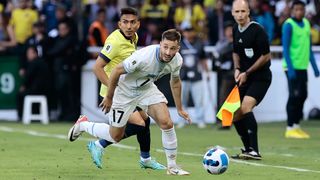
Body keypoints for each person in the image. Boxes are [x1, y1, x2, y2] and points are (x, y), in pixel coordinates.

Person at [68, 7, 165, 170]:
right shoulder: (114, 41)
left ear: (138, 24)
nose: (129, 26)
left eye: (132, 22)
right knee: (134, 127)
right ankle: (86, 127)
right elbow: (97, 68)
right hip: (114, 93)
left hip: (129, 91)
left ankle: (145, 160)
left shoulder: (134, 37)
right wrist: (112, 92)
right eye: (125, 22)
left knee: (145, 121)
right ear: (119, 24)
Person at [99, 29, 191, 175]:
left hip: (146, 89)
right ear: (160, 44)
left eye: (172, 48)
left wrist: (180, 109)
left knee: (167, 122)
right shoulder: (144, 56)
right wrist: (109, 97)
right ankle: (83, 125)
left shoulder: (177, 60)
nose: (168, 52)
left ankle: (172, 167)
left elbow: (175, 82)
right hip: (125, 91)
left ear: (178, 48)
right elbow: (116, 71)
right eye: (165, 47)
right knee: (115, 135)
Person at [230, 0, 272, 160]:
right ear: (232, 13)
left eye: (243, 11)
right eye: (237, 12)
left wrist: (247, 72)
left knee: (246, 107)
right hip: (244, 77)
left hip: (261, 77)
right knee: (232, 113)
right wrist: (237, 69)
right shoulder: (235, 29)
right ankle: (247, 149)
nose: (240, 15)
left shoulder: (257, 30)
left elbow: (266, 56)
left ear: (248, 12)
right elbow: (235, 51)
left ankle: (255, 150)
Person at [282, 0, 319, 139]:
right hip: (291, 67)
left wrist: (314, 67)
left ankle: (297, 126)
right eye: (296, 9)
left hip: (302, 67)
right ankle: (290, 127)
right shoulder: (288, 25)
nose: (299, 12)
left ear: (304, 10)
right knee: (294, 96)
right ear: (292, 11)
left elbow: (308, 48)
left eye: (301, 9)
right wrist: (290, 69)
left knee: (303, 96)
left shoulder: (307, 24)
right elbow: (285, 48)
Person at [177, 22, 209, 129]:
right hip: (183, 75)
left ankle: (200, 120)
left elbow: (203, 59)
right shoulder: (180, 44)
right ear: (183, 32)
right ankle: (182, 120)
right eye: (186, 31)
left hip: (197, 75)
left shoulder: (199, 43)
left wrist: (207, 72)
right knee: (182, 100)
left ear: (194, 32)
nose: (188, 33)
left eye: (190, 31)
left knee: (198, 99)